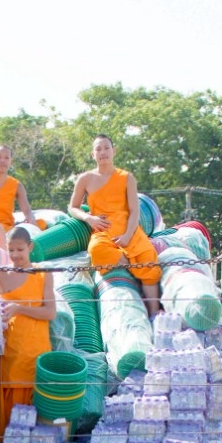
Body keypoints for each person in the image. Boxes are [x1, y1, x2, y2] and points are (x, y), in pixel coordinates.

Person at [69, 134, 162, 313]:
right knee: (97, 250)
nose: (103, 152)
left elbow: (135, 211)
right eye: (98, 149)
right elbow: (73, 207)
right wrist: (89, 218)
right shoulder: (85, 179)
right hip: (102, 229)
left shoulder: (126, 177)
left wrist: (128, 235)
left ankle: (153, 312)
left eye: (106, 148)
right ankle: (130, 267)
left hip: (129, 228)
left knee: (148, 257)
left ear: (114, 151)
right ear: (92, 155)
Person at [0, 227, 56, 433]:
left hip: (36, 349)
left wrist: (19, 308)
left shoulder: (42, 274)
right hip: (11, 350)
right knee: (11, 407)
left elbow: (50, 313)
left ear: (30, 247)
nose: (15, 255)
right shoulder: (1, 274)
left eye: (20, 249)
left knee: (35, 401)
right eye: (11, 250)